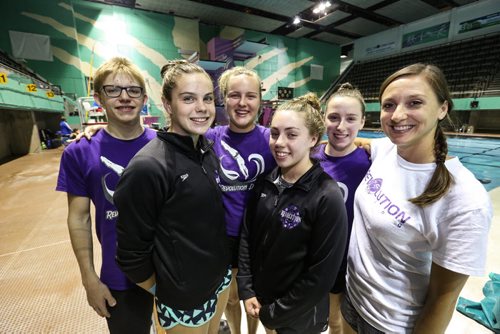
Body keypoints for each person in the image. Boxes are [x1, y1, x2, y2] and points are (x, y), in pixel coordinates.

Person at [342, 63, 493, 333]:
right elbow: (359, 144)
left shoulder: (465, 199)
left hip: (391, 325)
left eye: (414, 103)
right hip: (352, 299)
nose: (397, 115)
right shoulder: (387, 149)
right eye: (389, 105)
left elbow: (442, 299)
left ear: (442, 108)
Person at [113, 60, 231, 334]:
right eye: (188, 99)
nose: (201, 108)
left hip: (219, 279)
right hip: (183, 298)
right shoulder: (148, 167)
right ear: (167, 105)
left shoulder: (207, 149)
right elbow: (130, 254)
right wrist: (168, 289)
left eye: (207, 98)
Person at [56, 57, 156, 333]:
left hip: (169, 271)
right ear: (98, 97)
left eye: (133, 90)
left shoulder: (164, 145)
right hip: (120, 278)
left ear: (144, 97)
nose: (124, 97)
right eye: (113, 90)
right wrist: (89, 280)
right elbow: (79, 219)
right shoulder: (79, 152)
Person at [238, 93, 348, 334]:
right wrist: (246, 289)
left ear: (313, 138)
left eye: (291, 134)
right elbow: (248, 236)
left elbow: (321, 276)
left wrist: (275, 313)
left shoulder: (326, 195)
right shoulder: (265, 182)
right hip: (264, 303)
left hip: (300, 318)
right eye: (275, 133)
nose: (279, 142)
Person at [206, 66, 276, 334]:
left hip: (262, 236)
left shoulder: (273, 140)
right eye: (235, 95)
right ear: (224, 99)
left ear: (260, 99)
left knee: (258, 298)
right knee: (232, 298)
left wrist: (368, 144)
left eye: (251, 96)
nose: (243, 103)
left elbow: (316, 147)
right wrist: (100, 130)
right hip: (225, 237)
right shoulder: (210, 139)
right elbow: (167, 140)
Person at [311, 83, 371, 334]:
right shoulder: (310, 156)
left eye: (350, 119)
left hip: (347, 258)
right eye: (334, 118)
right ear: (324, 119)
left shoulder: (371, 161)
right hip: (312, 255)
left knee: (336, 321)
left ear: (363, 122)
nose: (341, 126)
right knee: (312, 318)